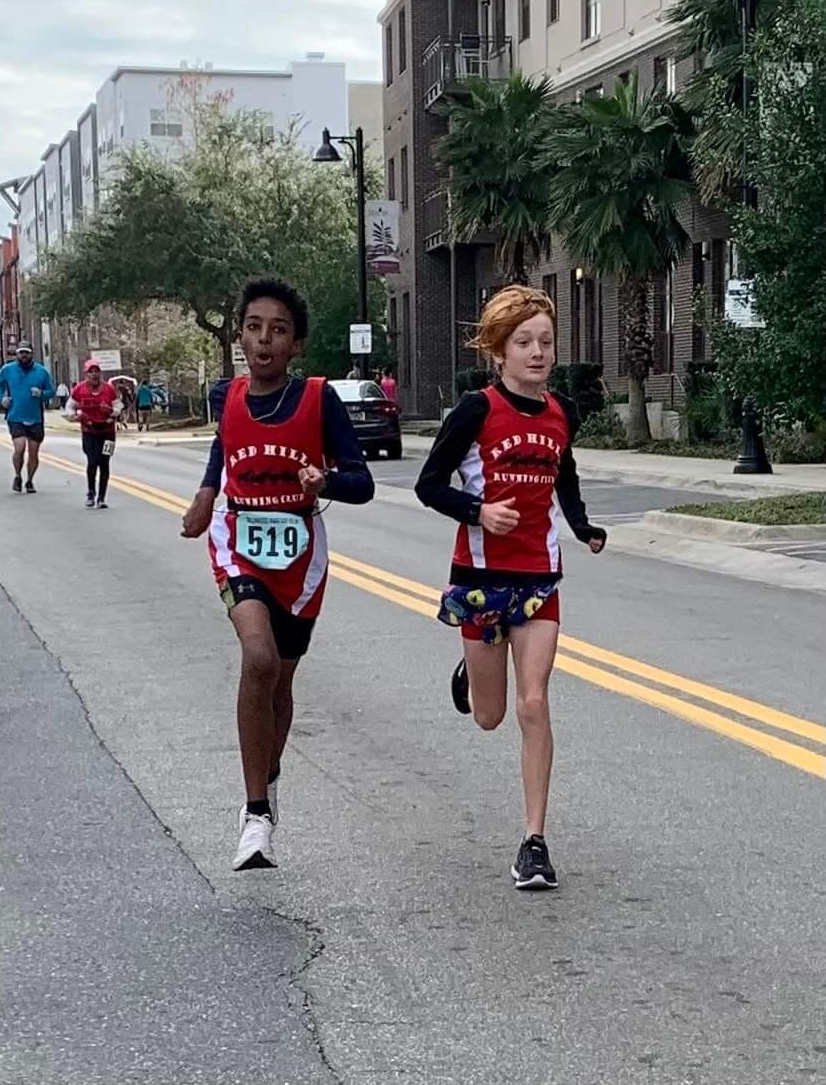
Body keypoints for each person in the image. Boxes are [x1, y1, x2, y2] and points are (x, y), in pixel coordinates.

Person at [415, 285, 606, 892]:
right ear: (499, 352)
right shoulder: (476, 411)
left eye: (546, 341)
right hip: (479, 579)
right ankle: (473, 672)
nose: (538, 352)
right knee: (490, 716)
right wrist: (478, 513)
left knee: (533, 702)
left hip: (537, 577)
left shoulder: (558, 412)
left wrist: (581, 526)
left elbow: (565, 475)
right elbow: (428, 485)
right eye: (524, 342)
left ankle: (535, 842)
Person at [180, 277, 374, 871]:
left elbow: (362, 483)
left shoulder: (320, 400)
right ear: (240, 335)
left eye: (279, 330)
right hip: (237, 542)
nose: (264, 339)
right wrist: (206, 495)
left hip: (299, 557)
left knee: (281, 683)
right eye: (255, 327)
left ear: (297, 346)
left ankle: (265, 762)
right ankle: (255, 813)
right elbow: (224, 446)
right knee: (258, 659)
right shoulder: (229, 395)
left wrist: (326, 482)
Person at [0, 342, 55, 494]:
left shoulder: (41, 371)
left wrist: (41, 394)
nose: (23, 355)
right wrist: (2, 398)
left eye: (26, 352)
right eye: (20, 353)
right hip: (15, 415)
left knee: (33, 453)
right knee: (19, 448)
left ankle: (30, 480)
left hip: (35, 417)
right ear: (17, 354)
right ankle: (17, 475)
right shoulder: (8, 370)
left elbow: (51, 391)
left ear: (31, 354)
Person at [65, 360, 123, 509]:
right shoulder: (79, 389)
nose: (94, 374)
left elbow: (118, 406)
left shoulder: (109, 389)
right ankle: (91, 492)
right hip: (89, 431)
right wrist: (73, 415)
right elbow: (70, 406)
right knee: (93, 460)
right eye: (91, 371)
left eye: (97, 371)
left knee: (105, 462)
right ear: (86, 374)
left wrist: (111, 411)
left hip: (108, 431)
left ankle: (101, 497)